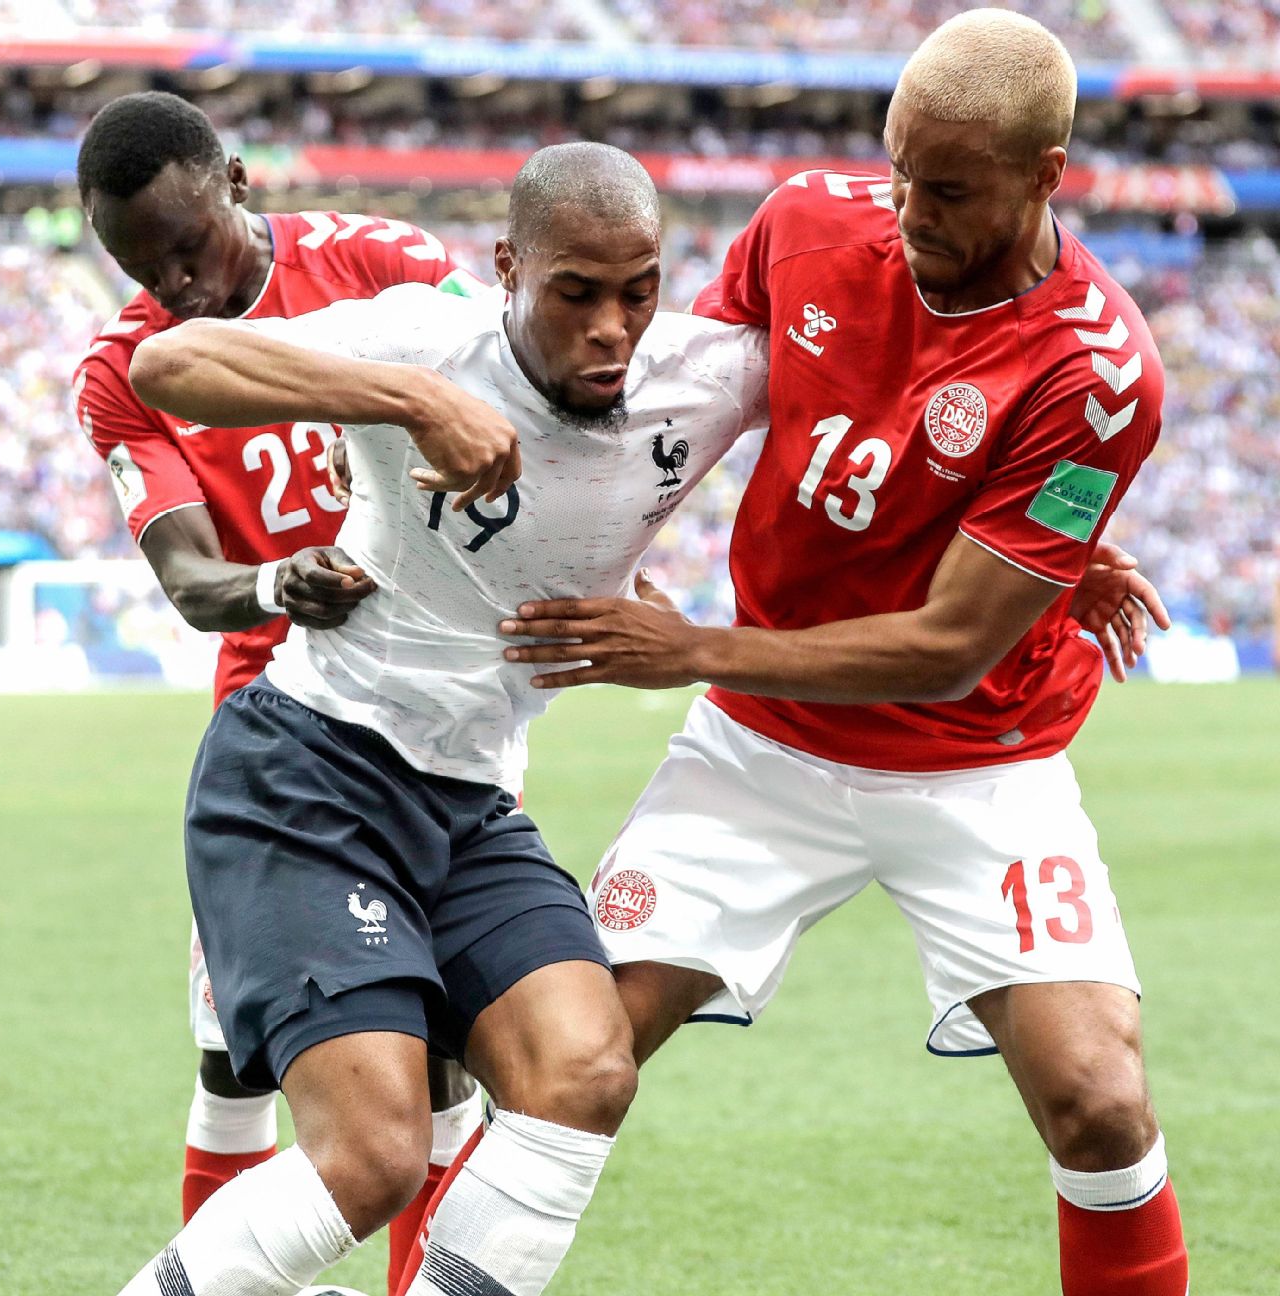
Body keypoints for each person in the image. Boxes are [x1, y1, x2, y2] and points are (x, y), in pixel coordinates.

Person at [500, 12, 1189, 1295]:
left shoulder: (1100, 371)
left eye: (950, 189)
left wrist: (693, 646)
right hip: (763, 752)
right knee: (560, 1061)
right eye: (900, 170)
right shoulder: (809, 221)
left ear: (1047, 176)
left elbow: (945, 649)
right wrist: (611, 546)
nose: (910, 210)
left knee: (1099, 1101)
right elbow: (690, 407)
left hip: (980, 758)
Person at [110, 141, 773, 1296]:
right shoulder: (420, 336)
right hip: (310, 775)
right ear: (510, 270)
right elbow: (170, 364)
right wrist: (418, 401)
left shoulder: (706, 374)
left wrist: (1064, 525)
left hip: (469, 802)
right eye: (576, 294)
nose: (614, 326)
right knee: (371, 1154)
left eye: (639, 290)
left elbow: (885, 407)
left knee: (583, 1070)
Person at [73, 91, 484, 1292]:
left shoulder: (386, 263)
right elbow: (193, 583)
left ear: (240, 181)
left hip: (433, 714)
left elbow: (504, 413)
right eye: (139, 266)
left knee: (447, 1059)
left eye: (187, 248)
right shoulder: (127, 369)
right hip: (278, 741)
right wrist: (272, 581)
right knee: (237, 1063)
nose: (175, 286)